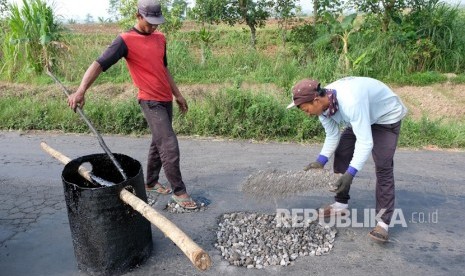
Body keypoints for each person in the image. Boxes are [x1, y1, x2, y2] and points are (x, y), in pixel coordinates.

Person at [68, 0, 197, 209]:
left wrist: (178, 94)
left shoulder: (160, 38)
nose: (154, 26)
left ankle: (151, 182)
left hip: (165, 99)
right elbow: (98, 64)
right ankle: (180, 192)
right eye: (150, 22)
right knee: (169, 145)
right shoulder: (125, 40)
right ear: (138, 16)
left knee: (159, 141)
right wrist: (81, 90)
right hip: (149, 100)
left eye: (157, 22)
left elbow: (163, 69)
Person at [287, 76, 407, 242]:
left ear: (315, 100)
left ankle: (383, 223)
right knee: (343, 152)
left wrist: (350, 173)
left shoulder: (350, 102)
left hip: (385, 117)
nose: (306, 114)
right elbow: (332, 135)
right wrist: (320, 161)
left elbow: (365, 142)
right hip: (362, 116)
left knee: (383, 165)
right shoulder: (323, 108)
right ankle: (340, 205)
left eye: (305, 109)